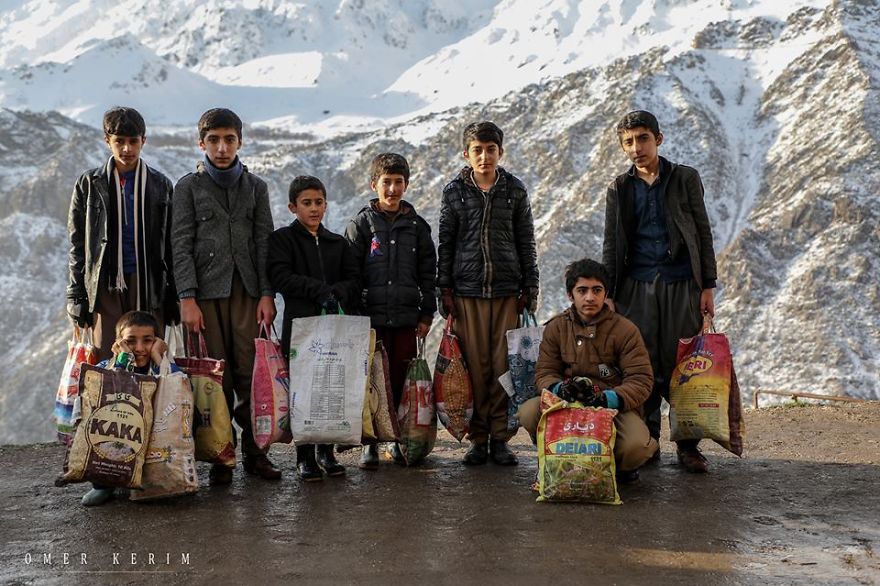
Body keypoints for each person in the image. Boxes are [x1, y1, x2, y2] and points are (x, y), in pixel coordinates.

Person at [602, 110, 718, 473]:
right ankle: (648, 441)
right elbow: (611, 242)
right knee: (642, 362)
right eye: (629, 142)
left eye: (643, 139)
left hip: (682, 283)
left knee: (684, 363)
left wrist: (708, 286)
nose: (637, 147)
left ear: (658, 139)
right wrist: (609, 291)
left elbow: (702, 232)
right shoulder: (620, 188)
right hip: (636, 286)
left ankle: (687, 445)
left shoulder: (684, 178)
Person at [171, 108, 279, 484]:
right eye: (214, 140)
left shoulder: (255, 187)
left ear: (240, 142)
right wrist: (187, 297)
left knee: (252, 375)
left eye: (229, 139)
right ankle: (221, 455)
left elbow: (264, 242)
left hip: (247, 293)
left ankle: (256, 452)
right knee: (215, 377)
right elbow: (180, 245)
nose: (221, 147)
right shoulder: (187, 187)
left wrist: (267, 293)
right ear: (202, 143)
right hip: (205, 296)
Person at [437, 121, 539, 466]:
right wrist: (444, 289)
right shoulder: (454, 192)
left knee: (502, 366)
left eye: (490, 149)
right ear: (467, 154)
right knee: (474, 367)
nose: (484, 156)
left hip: (507, 291)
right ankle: (478, 437)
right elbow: (446, 244)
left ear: (500, 152)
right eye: (477, 150)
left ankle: (501, 436)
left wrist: (531, 286)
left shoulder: (515, 190)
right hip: (467, 293)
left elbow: (526, 241)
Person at [516, 259, 658, 482]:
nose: (590, 297)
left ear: (605, 294)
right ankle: (557, 456)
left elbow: (641, 380)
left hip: (612, 409)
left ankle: (616, 465)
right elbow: (544, 372)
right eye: (582, 290)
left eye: (596, 290)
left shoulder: (625, 330)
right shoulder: (556, 327)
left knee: (636, 447)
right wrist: (560, 389)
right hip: (566, 404)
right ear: (571, 295)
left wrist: (606, 398)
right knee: (528, 412)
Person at [344, 153, 437, 469]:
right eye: (387, 182)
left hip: (406, 319)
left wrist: (426, 315)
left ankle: (398, 440)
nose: (393, 188)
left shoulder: (418, 228)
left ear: (407, 185)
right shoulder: (361, 225)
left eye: (399, 182)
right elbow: (351, 274)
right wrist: (356, 313)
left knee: (400, 381)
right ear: (374, 184)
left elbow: (429, 275)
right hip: (371, 320)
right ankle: (369, 443)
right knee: (369, 382)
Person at [267, 175, 359, 481]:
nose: (314, 208)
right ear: (293, 206)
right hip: (300, 326)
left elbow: (353, 278)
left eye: (319, 202)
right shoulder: (284, 240)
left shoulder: (337, 243)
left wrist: (338, 294)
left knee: (330, 387)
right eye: (307, 203)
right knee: (303, 391)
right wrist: (319, 290)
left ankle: (327, 452)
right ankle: (304, 456)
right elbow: (281, 277)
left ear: (326, 204)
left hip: (333, 326)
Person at [66, 106, 178, 359]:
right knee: (107, 356)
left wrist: (173, 295)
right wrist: (76, 294)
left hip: (148, 282)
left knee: (147, 356)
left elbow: (170, 244)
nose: (127, 149)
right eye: (119, 141)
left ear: (143, 141)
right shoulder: (89, 184)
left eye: (133, 141)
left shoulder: (160, 185)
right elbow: (78, 244)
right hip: (105, 284)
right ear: (108, 141)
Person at [81, 310, 175, 506]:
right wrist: (123, 360)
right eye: (131, 341)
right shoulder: (107, 367)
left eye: (147, 341)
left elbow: (181, 390)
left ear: (157, 341)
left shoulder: (166, 367)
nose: (139, 348)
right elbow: (100, 394)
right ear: (119, 343)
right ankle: (103, 485)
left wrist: (158, 357)